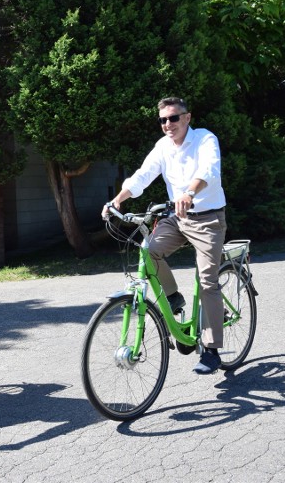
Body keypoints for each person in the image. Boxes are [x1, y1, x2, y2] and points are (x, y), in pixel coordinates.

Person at [102, 97, 227, 375]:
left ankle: (211, 350)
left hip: (208, 219)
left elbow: (209, 170)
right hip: (177, 218)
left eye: (173, 118)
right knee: (148, 250)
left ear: (187, 117)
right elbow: (142, 175)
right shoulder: (163, 147)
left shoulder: (205, 139)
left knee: (207, 282)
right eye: (162, 120)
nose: (168, 124)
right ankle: (173, 298)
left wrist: (189, 193)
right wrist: (118, 200)